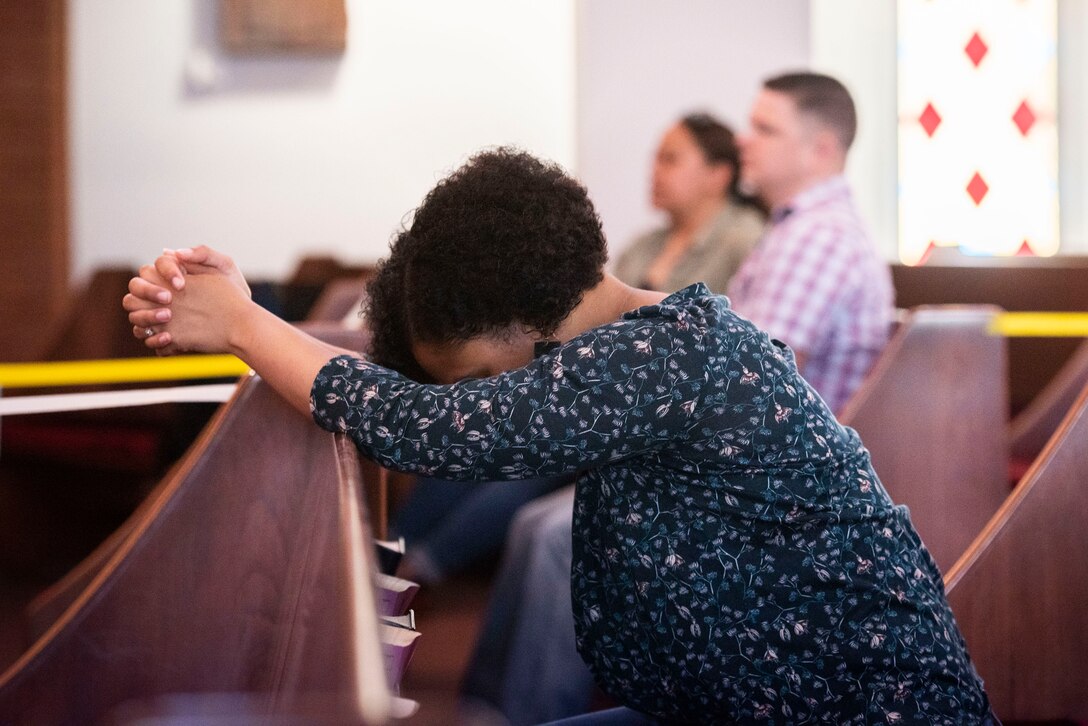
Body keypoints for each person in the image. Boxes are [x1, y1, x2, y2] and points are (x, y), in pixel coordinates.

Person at [124, 148, 992, 723]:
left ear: (518, 322)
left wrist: (243, 323)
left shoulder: (670, 352)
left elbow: (428, 429)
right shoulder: (646, 346)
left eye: (482, 380)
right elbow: (416, 402)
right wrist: (240, 307)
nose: (488, 399)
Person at [461, 72, 900, 724]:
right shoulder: (794, 232)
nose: (745, 141)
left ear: (821, 149)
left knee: (560, 533)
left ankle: (516, 711)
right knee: (536, 517)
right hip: (746, 472)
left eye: (766, 128)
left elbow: (744, 391)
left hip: (768, 500)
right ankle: (484, 706)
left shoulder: (817, 240)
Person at [390, 112, 765, 590]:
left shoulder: (744, 239)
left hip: (645, 412)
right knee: (486, 425)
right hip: (595, 385)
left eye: (671, 158)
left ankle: (422, 568)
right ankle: (391, 550)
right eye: (655, 158)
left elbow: (723, 345)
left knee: (528, 450)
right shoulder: (646, 245)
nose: (655, 170)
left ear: (719, 174)